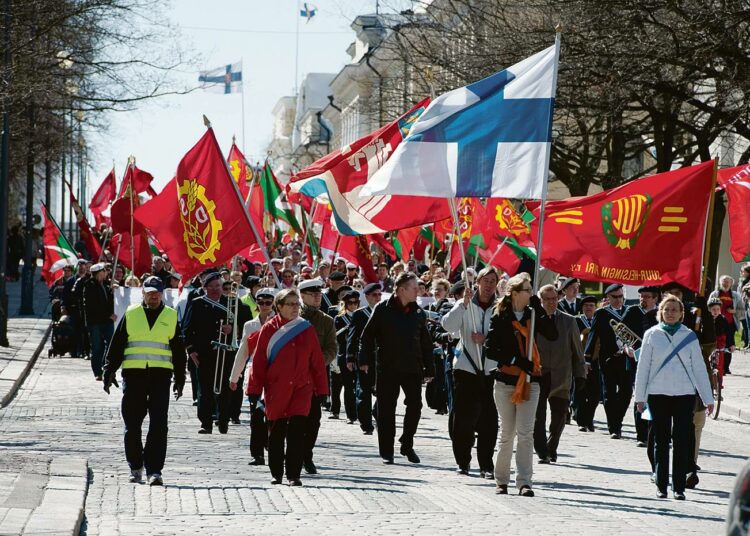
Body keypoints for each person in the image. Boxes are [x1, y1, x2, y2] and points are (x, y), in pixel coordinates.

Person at [102, 276, 186, 486]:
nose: (153, 296)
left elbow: (178, 351)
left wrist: (180, 377)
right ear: (143, 293)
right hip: (134, 375)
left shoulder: (171, 315)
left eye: (157, 292)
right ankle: (135, 466)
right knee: (132, 425)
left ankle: (154, 470)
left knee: (159, 424)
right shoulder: (131, 314)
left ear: (162, 293)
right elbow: (117, 344)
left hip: (160, 376)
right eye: (149, 292)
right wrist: (108, 371)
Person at [484, 272, 557, 497]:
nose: (531, 293)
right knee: (508, 432)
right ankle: (501, 480)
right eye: (527, 290)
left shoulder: (533, 315)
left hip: (530, 381)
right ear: (515, 293)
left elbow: (552, 334)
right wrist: (517, 361)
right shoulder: (500, 315)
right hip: (506, 380)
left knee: (525, 432)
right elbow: (491, 349)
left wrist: (540, 310)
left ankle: (524, 481)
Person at [246, 289, 329, 486]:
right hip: (276, 388)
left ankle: (294, 474)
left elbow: (317, 362)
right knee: (276, 431)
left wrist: (323, 390)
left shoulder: (306, 329)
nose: (295, 308)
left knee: (297, 431)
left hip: (302, 387)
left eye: (297, 304)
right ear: (279, 307)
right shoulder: (268, 329)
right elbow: (259, 362)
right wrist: (254, 389)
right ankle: (277, 473)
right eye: (290, 304)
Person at [635, 295, 714, 500]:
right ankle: (661, 485)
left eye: (674, 310)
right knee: (660, 441)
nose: (670, 313)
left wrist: (708, 398)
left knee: (681, 441)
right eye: (667, 309)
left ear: (681, 314)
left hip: (683, 395)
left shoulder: (689, 336)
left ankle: (679, 487)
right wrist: (640, 397)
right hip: (658, 394)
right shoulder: (652, 335)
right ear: (661, 312)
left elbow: (699, 369)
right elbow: (643, 368)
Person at [359, 272, 435, 464]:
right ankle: (387, 450)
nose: (418, 291)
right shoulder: (382, 309)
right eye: (414, 288)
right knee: (386, 410)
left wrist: (430, 368)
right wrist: (364, 359)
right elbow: (367, 336)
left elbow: (426, 342)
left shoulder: (418, 312)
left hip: (412, 367)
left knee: (415, 406)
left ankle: (407, 442)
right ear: (401, 290)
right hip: (388, 367)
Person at [440, 267, 499, 478]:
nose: (489, 285)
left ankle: (486, 464)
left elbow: (505, 337)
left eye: (493, 281)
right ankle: (463, 461)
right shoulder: (465, 304)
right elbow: (447, 325)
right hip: (466, 368)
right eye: (485, 280)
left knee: (489, 421)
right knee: (464, 419)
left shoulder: (500, 307)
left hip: (491, 370)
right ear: (478, 282)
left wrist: (486, 340)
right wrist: (463, 306)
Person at [183, 272, 251, 434]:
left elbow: (247, 322)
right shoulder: (197, 303)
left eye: (218, 286)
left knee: (226, 389)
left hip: (227, 353)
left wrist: (233, 328)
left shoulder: (232, 302)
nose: (215, 289)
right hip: (203, 353)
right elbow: (186, 329)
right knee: (205, 388)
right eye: (211, 286)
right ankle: (206, 422)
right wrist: (191, 351)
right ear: (205, 287)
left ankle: (223, 420)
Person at [533, 284, 586, 464]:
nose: (551, 302)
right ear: (540, 301)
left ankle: (551, 447)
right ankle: (541, 450)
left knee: (559, 416)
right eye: (546, 299)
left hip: (561, 376)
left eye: (554, 299)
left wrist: (580, 375)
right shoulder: (533, 320)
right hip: (538, 375)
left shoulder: (569, 321)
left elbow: (577, 351)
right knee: (537, 416)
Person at [229, 287, 277, 466]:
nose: (265, 306)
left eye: (268, 302)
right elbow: (243, 352)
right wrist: (235, 377)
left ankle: (271, 445)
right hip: (255, 374)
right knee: (256, 415)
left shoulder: (281, 322)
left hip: (275, 374)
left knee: (272, 415)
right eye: (261, 302)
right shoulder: (250, 325)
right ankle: (257, 453)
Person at [298, 278, 337, 474]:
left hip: (315, 378)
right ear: (302, 296)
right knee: (294, 419)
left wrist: (318, 360)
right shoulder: (292, 318)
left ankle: (307, 454)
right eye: (313, 294)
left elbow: (332, 348)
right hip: (293, 377)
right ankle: (294, 454)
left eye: (319, 294)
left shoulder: (326, 320)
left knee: (313, 419)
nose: (317, 297)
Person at [584, 283, 632, 439]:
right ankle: (614, 427)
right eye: (614, 297)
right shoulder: (602, 313)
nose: (618, 300)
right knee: (609, 394)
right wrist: (588, 358)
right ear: (608, 298)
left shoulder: (630, 312)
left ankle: (618, 419)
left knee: (626, 393)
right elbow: (593, 336)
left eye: (620, 296)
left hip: (626, 359)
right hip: (608, 359)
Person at [347, 282, 382, 435]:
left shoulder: (386, 312)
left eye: (380, 294)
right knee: (364, 393)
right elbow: (352, 337)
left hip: (383, 359)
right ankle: (366, 424)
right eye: (374, 295)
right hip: (366, 359)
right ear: (367, 297)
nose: (378, 297)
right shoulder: (360, 314)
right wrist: (350, 357)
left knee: (384, 391)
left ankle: (377, 412)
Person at [330, 289, 360, 423]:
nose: (353, 305)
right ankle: (351, 415)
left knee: (358, 386)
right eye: (350, 303)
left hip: (359, 355)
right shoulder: (340, 318)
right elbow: (338, 337)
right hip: (344, 355)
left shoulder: (361, 316)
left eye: (356, 302)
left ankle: (359, 411)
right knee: (347, 386)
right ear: (345, 304)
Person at [82, 262, 116, 380]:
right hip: (95, 322)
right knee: (97, 347)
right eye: (104, 271)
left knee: (110, 345)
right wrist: (108, 316)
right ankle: (97, 371)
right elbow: (93, 306)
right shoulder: (89, 286)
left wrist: (113, 291)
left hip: (107, 322)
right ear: (98, 273)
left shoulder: (106, 284)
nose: (106, 273)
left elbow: (109, 302)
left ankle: (106, 367)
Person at [708, 276, 744, 374]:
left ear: (731, 283)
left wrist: (734, 311)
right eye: (724, 282)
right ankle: (714, 365)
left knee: (728, 345)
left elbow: (742, 309)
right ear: (720, 283)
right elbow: (708, 306)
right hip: (716, 322)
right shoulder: (715, 294)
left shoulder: (735, 295)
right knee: (715, 345)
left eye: (728, 282)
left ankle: (726, 367)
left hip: (730, 323)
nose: (726, 284)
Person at [574, 296, 600, 432]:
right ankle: (581, 421)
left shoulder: (599, 320)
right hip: (580, 361)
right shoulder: (576, 320)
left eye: (591, 305)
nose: (589, 308)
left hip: (596, 362)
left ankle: (589, 418)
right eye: (586, 306)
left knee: (595, 394)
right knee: (581, 392)